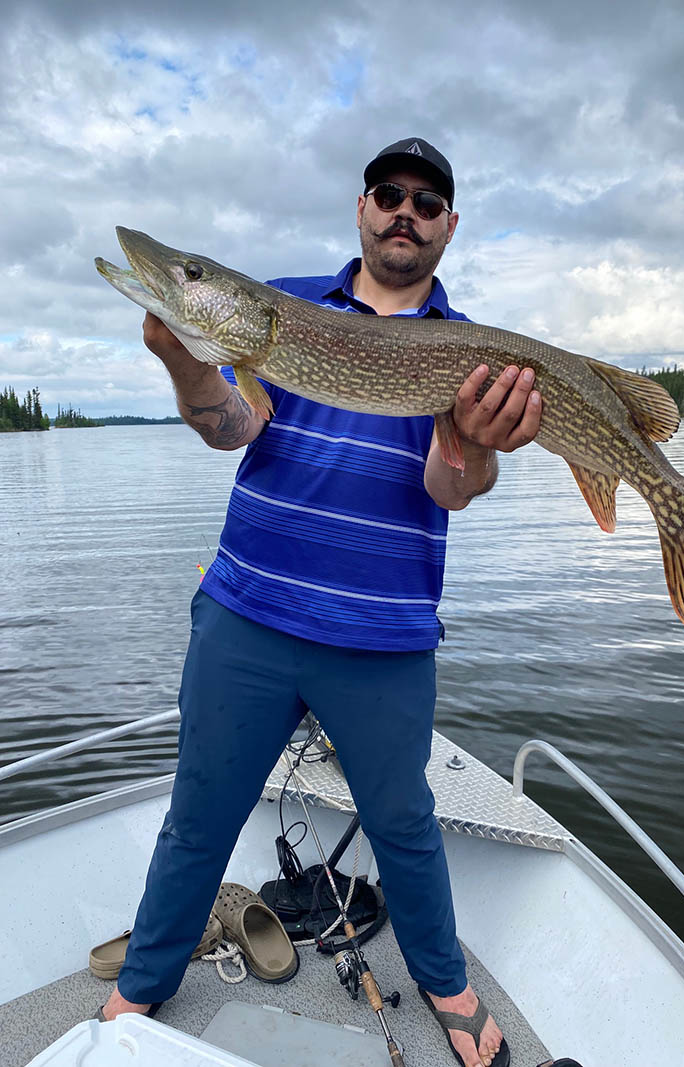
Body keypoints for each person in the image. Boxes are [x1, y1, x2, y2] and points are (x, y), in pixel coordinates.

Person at [101, 138, 543, 1067]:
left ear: (448, 228)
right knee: (201, 811)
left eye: (427, 202)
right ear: (361, 207)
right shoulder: (283, 307)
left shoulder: (465, 353)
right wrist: (188, 364)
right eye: (390, 193)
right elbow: (235, 426)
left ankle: (446, 982)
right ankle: (145, 976)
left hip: (381, 637)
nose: (405, 212)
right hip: (246, 616)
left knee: (405, 822)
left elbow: (452, 488)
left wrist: (474, 442)